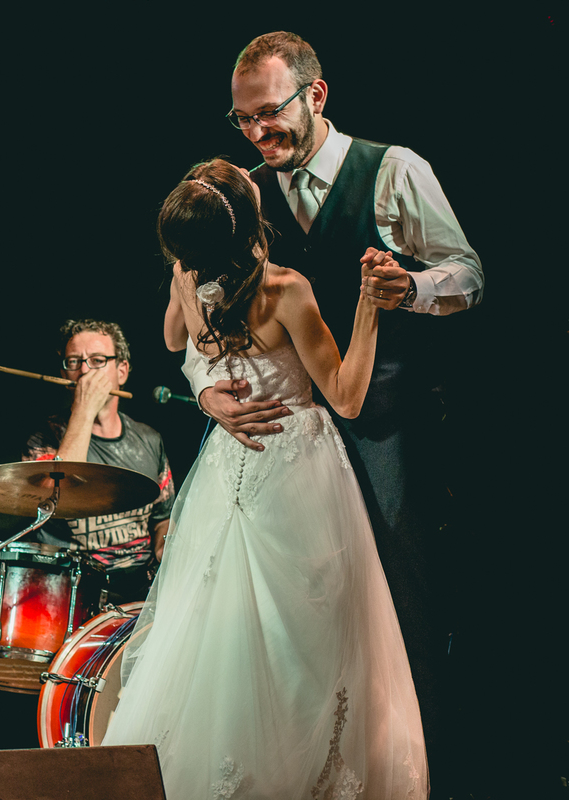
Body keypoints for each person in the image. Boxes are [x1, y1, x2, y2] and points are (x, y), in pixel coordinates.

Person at [184, 31, 483, 779]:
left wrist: (410, 289)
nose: (258, 132)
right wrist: (206, 389)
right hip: (287, 442)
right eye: (243, 120)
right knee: (288, 626)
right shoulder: (242, 193)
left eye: (270, 113)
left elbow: (468, 273)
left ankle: (408, 779)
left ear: (316, 95)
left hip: (386, 430)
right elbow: (198, 312)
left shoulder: (393, 171)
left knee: (394, 616)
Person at [102, 159, 427, 799]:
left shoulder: (187, 273)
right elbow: (348, 396)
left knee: (217, 631)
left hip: (226, 470)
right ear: (251, 217)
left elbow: (173, 341)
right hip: (294, 471)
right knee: (303, 644)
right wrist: (367, 306)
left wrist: (207, 391)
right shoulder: (284, 290)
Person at [22, 319, 176, 605]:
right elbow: (60, 498)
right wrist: (83, 408)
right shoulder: (42, 440)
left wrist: (167, 547)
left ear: (122, 370)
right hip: (73, 594)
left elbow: (162, 518)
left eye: (96, 360)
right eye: (73, 362)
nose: (83, 371)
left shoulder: (149, 439)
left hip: (142, 592)